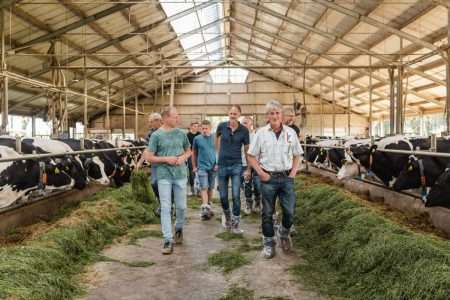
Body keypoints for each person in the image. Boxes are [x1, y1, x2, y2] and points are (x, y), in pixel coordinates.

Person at [247, 100, 303, 259]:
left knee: (289, 212)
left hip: (286, 178)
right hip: (268, 178)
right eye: (271, 113)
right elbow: (251, 156)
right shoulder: (260, 133)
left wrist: (293, 173)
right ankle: (269, 243)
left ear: (282, 115)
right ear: (267, 116)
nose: (275, 116)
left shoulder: (290, 133)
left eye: (277, 113)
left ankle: (284, 233)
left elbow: (297, 154)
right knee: (267, 213)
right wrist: (260, 173)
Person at [145, 106, 191, 255]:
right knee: (165, 207)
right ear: (166, 118)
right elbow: (149, 157)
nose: (178, 118)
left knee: (181, 206)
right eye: (175, 116)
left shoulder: (181, 134)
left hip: (180, 174)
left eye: (178, 116)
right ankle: (167, 239)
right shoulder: (156, 136)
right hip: (164, 175)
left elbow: (189, 150)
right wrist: (166, 159)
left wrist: (183, 158)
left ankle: (178, 227)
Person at [216, 105, 250, 234]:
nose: (233, 114)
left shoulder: (244, 130)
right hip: (222, 165)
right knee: (223, 196)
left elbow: (247, 150)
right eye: (231, 112)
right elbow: (217, 141)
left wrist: (248, 169)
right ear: (228, 113)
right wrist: (218, 157)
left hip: (237, 165)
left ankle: (236, 223)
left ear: (239, 114)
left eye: (235, 113)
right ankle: (228, 217)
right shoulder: (221, 126)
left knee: (236, 195)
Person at [192, 120, 217, 220]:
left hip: (213, 167)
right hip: (201, 167)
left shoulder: (215, 137)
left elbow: (219, 151)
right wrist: (194, 166)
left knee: (211, 187)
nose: (204, 130)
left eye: (206, 128)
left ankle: (208, 205)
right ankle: (205, 207)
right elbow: (194, 153)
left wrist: (218, 163)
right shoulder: (197, 139)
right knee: (204, 187)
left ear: (210, 128)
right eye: (202, 128)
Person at [137, 112, 162, 215]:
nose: (150, 124)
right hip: (155, 162)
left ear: (158, 121)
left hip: (168, 162)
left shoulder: (168, 130)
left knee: (168, 184)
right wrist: (139, 162)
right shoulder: (150, 134)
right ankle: (162, 203)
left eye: (151, 122)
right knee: (154, 183)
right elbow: (147, 149)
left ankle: (169, 205)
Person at [241, 116, 261, 214]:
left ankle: (257, 200)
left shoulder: (256, 136)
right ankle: (249, 203)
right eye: (242, 123)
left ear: (251, 124)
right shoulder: (240, 136)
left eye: (245, 123)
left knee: (257, 184)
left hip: (256, 164)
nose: (243, 125)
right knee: (247, 184)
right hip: (244, 164)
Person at [186, 122, 200, 196]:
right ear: (191, 127)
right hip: (191, 154)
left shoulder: (199, 134)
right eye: (194, 126)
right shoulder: (188, 135)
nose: (196, 127)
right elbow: (186, 146)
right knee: (192, 171)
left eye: (197, 126)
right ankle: (192, 189)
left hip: (199, 155)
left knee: (199, 171)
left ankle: (199, 189)